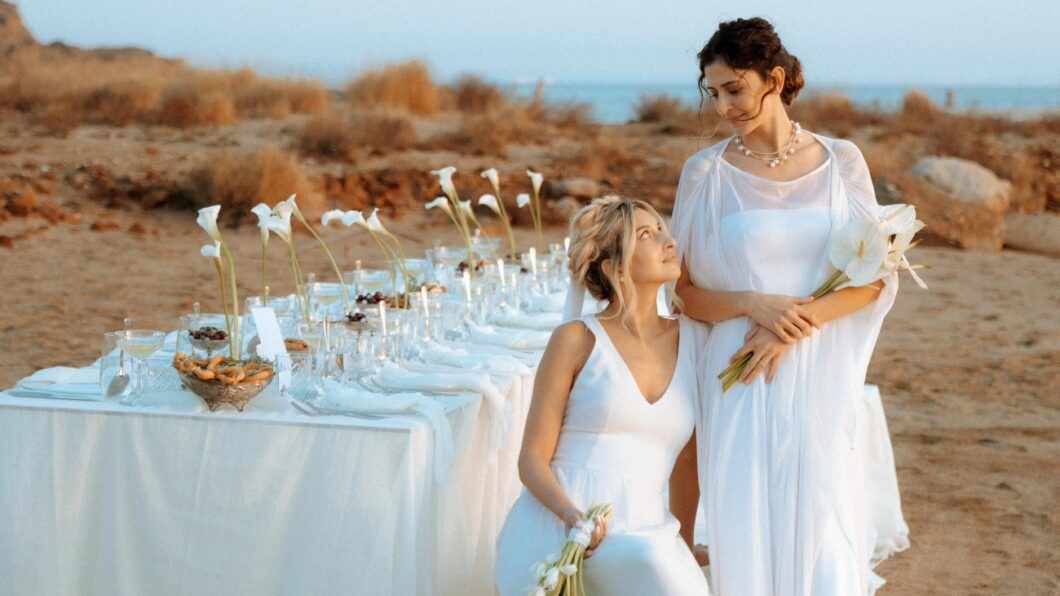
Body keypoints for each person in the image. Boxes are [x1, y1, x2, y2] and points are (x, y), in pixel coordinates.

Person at [671, 17, 909, 596]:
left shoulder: (842, 161)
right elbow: (681, 292)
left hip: (817, 366)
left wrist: (792, 326)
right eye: (714, 92)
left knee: (822, 518)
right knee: (747, 517)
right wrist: (754, 303)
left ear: (773, 79)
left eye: (735, 89)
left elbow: (875, 277)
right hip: (739, 372)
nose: (723, 105)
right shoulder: (704, 174)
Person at [494, 196, 711, 595]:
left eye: (662, 229)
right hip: (561, 533)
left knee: (666, 572)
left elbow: (688, 460)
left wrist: (683, 540)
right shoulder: (575, 340)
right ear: (615, 268)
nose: (668, 241)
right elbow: (532, 459)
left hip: (648, 532)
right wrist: (572, 517)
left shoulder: (695, 340)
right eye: (646, 235)